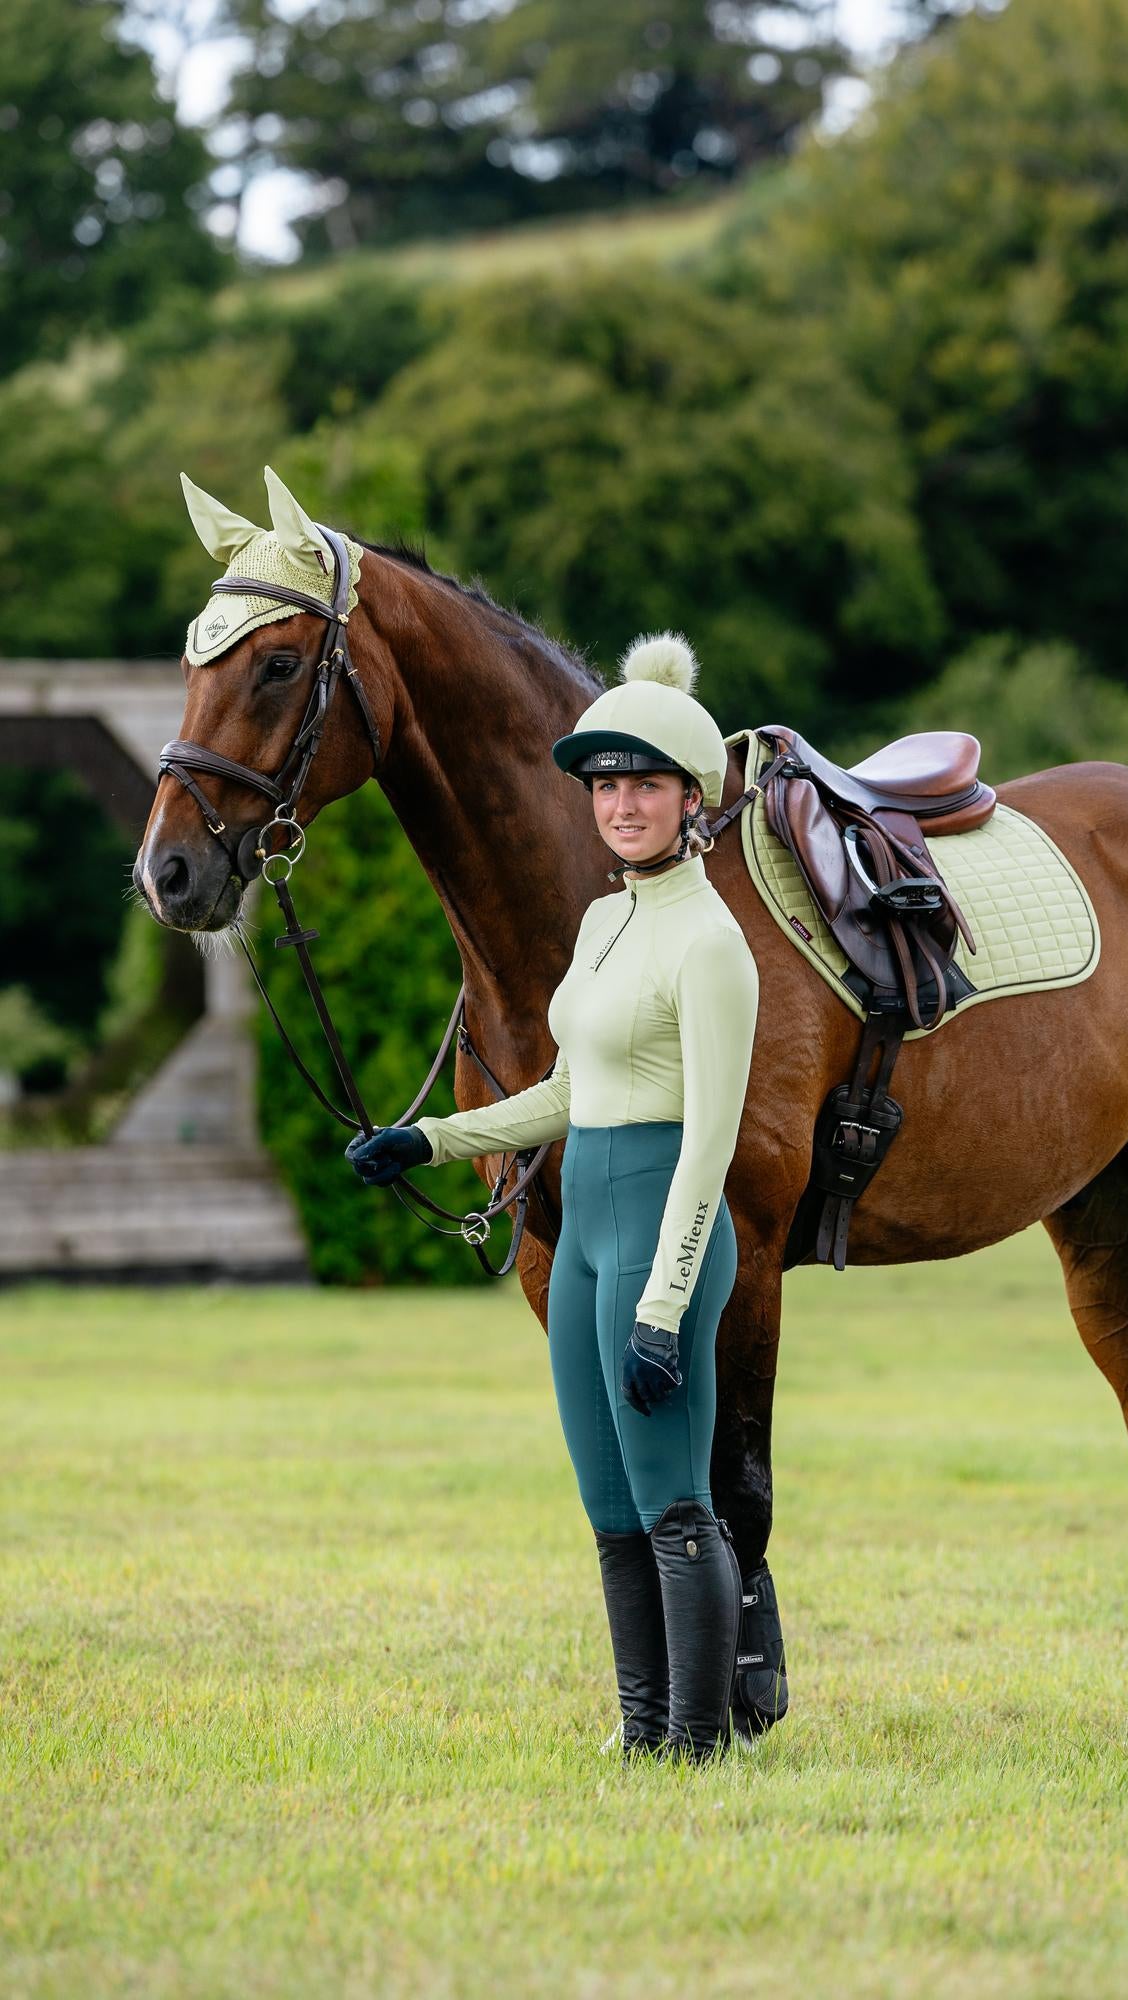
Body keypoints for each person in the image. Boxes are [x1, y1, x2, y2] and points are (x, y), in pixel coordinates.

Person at [346, 633, 760, 1762]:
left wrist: (667, 1302)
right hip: (586, 1235)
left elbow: (713, 1140)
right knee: (611, 1506)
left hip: (663, 1230)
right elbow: (571, 1090)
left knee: (677, 1502)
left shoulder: (714, 943)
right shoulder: (602, 921)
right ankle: (641, 1733)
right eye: (608, 784)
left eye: (646, 784)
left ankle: (699, 1741)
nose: (622, 804)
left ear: (690, 800)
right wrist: (429, 1136)